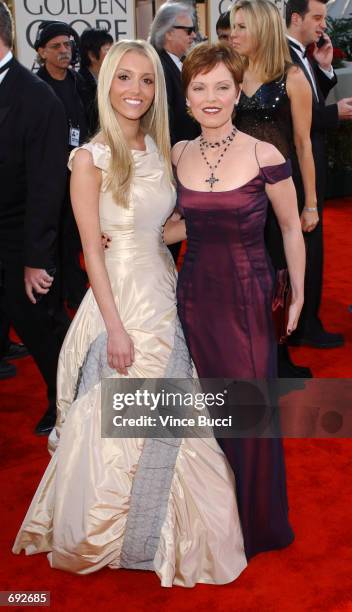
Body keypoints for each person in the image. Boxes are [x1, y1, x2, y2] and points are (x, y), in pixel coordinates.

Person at [13, 40, 247, 587]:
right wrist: (114, 327)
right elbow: (93, 248)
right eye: (124, 78)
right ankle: (115, 532)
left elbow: (160, 230)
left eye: (146, 79)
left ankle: (166, 533)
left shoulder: (160, 149)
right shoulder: (89, 157)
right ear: (106, 83)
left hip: (164, 288)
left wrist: (220, 217)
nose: (136, 89)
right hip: (120, 299)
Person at [164, 42, 305, 559]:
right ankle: (215, 523)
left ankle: (259, 525)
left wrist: (299, 295)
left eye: (222, 86)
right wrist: (129, 236)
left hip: (248, 297)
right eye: (200, 87)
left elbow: (291, 229)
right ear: (187, 96)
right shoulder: (178, 153)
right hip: (195, 296)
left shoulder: (265, 152)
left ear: (238, 91)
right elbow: (179, 227)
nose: (211, 97)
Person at [230, 0, 314, 377]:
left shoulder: (291, 76)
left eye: (242, 27)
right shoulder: (228, 73)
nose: (234, 34)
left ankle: (277, 359)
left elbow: (302, 143)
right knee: (241, 275)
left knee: (277, 275)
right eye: (233, 26)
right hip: (237, 192)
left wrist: (310, 203)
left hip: (278, 191)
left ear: (262, 29)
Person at [0, 2, 70, 432]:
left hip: (20, 239)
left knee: (39, 327)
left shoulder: (36, 97)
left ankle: (64, 400)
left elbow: (47, 189)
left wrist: (35, 260)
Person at [285, 0, 352, 348]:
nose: (323, 25)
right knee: (304, 246)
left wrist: (324, 70)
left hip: (310, 162)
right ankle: (302, 325)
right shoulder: (284, 57)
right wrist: (334, 114)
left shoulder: (303, 55)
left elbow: (308, 103)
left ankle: (306, 320)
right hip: (296, 170)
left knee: (311, 246)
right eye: (317, 17)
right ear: (296, 18)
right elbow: (294, 121)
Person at [35, 20, 89, 308]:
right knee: (52, 239)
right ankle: (53, 299)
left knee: (75, 237)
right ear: (41, 52)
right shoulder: (36, 88)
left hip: (79, 174)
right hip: (48, 177)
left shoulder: (79, 82)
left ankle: (76, 294)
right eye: (56, 46)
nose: (64, 50)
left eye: (67, 44)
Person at [149, 1, 200, 264]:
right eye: (189, 29)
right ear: (169, 32)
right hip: (168, 169)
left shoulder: (175, 64)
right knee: (164, 243)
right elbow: (163, 124)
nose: (193, 35)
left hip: (180, 165)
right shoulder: (157, 65)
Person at [78, 27, 113, 136]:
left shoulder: (113, 80)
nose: (115, 55)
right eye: (108, 50)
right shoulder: (79, 86)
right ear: (92, 56)